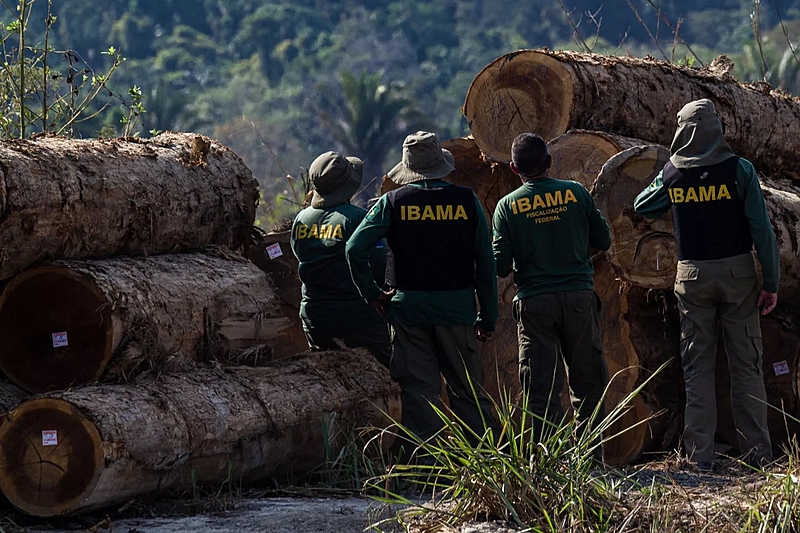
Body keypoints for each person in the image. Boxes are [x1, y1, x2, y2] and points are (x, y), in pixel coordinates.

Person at [633, 98, 779, 471]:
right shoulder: (740, 169)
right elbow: (762, 230)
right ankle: (757, 454)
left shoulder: (672, 173)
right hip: (738, 275)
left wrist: (670, 171)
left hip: (692, 277)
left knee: (697, 366)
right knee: (746, 365)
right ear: (717, 129)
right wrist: (771, 281)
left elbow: (642, 205)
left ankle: (699, 457)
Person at [346, 131, 500, 447]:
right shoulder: (467, 201)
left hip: (408, 312)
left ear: (408, 168)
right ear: (440, 164)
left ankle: (427, 466)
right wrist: (488, 317)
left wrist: (372, 293)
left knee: (419, 393)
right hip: (456, 311)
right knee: (468, 391)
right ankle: (488, 460)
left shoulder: (392, 202)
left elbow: (354, 248)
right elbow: (485, 262)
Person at [492, 133, 611, 447]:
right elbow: (604, 240)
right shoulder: (575, 192)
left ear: (514, 169)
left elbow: (500, 265)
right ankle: (591, 458)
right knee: (588, 383)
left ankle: (552, 459)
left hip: (534, 303)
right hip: (579, 299)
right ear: (548, 161)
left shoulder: (507, 207)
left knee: (540, 387)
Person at [290, 151, 391, 367]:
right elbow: (379, 262)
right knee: (387, 372)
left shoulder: (301, 219)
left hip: (315, 317)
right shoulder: (357, 218)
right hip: (358, 316)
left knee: (328, 374)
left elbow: (299, 254)